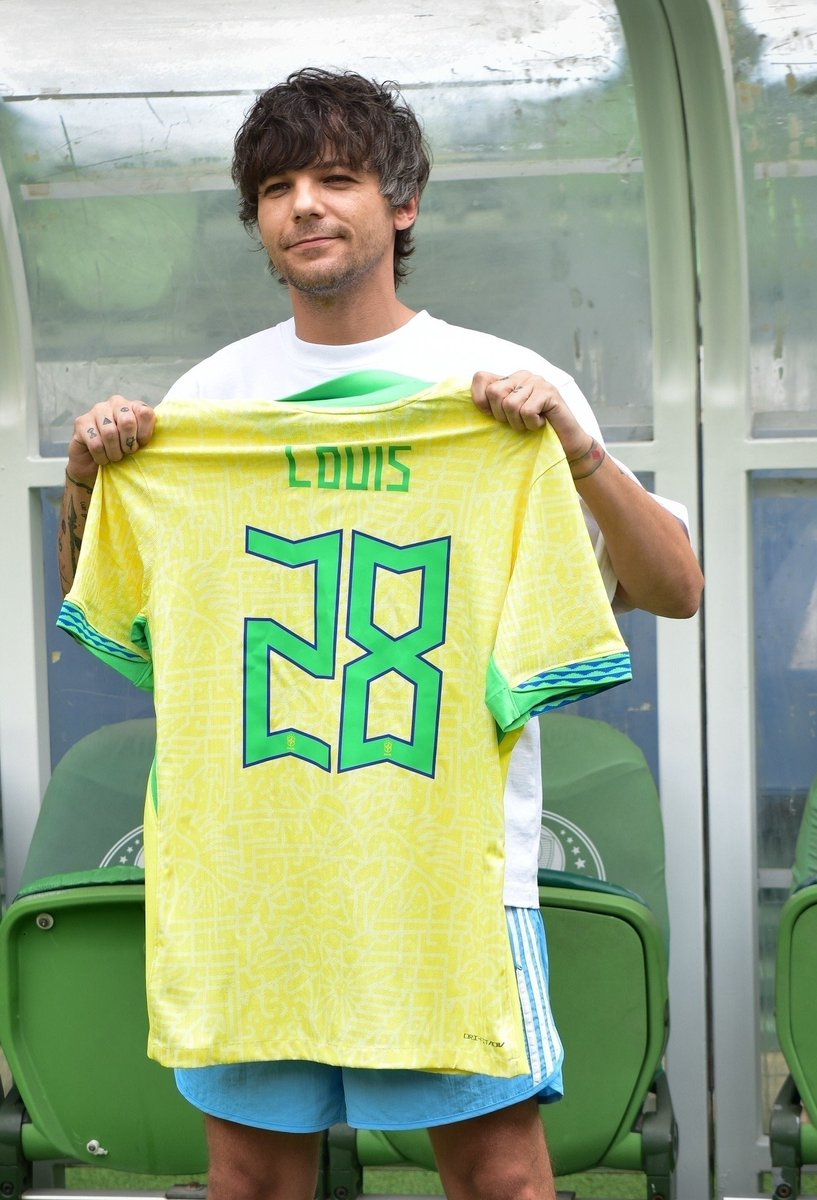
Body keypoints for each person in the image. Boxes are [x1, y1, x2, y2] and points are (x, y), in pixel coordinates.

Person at [57, 68, 703, 1200]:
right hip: (247, 872)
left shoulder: (501, 393)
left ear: (400, 205)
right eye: (276, 186)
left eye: (335, 177)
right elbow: (128, 615)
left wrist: (575, 452)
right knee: (250, 1180)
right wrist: (89, 482)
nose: (304, 204)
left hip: (440, 871)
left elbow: (677, 587)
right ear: (256, 220)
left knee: (498, 1175)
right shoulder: (207, 404)